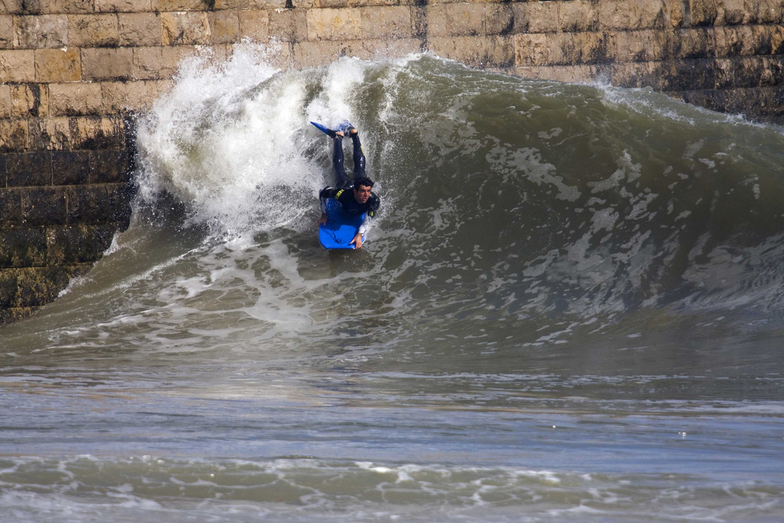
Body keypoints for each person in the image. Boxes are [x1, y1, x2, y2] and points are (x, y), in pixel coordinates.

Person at [319, 127, 380, 249]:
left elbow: (368, 218)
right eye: (363, 191)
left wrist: (360, 234)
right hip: (345, 184)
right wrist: (323, 214)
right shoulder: (342, 194)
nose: (366, 195)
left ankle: (355, 136)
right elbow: (323, 192)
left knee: (360, 167)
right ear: (355, 191)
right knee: (338, 168)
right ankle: (338, 138)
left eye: (368, 191)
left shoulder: (373, 200)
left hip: (356, 185)